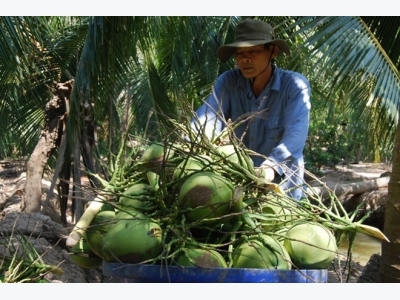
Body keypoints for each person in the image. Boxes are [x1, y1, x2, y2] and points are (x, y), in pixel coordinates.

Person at [190, 19, 311, 200]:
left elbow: (295, 135)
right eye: (239, 53)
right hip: (240, 189)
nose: (244, 59)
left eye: (253, 51)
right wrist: (192, 143)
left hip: (284, 193)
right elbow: (207, 120)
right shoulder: (228, 82)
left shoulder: (294, 85)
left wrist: (270, 168)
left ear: (273, 51)